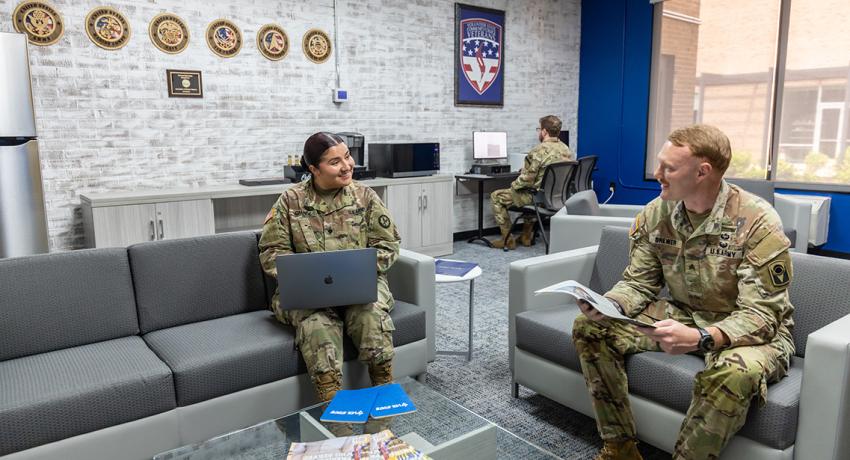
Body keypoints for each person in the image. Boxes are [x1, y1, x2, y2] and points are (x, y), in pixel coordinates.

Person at [572, 124, 794, 460]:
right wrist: (609, 304)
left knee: (735, 371)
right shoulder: (657, 212)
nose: (656, 173)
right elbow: (639, 281)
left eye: (669, 168)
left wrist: (701, 337)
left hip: (752, 332)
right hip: (683, 312)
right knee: (590, 327)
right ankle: (620, 447)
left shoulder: (757, 220)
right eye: (659, 164)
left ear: (702, 172)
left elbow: (762, 315)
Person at [259, 132, 401, 413]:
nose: (347, 165)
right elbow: (271, 251)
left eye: (347, 156)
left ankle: (384, 391)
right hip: (307, 293)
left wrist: (360, 270)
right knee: (316, 324)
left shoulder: (365, 196)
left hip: (362, 285)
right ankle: (333, 402)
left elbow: (388, 244)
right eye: (335, 162)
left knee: (369, 314)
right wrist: (300, 275)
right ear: (313, 169)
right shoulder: (290, 201)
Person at [489, 115, 574, 249]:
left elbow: (527, 180)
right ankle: (526, 236)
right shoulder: (566, 149)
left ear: (544, 131)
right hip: (554, 198)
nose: (539, 132)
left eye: (539, 129)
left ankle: (507, 240)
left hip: (536, 197)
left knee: (496, 196)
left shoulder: (538, 151)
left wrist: (513, 186)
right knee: (530, 192)